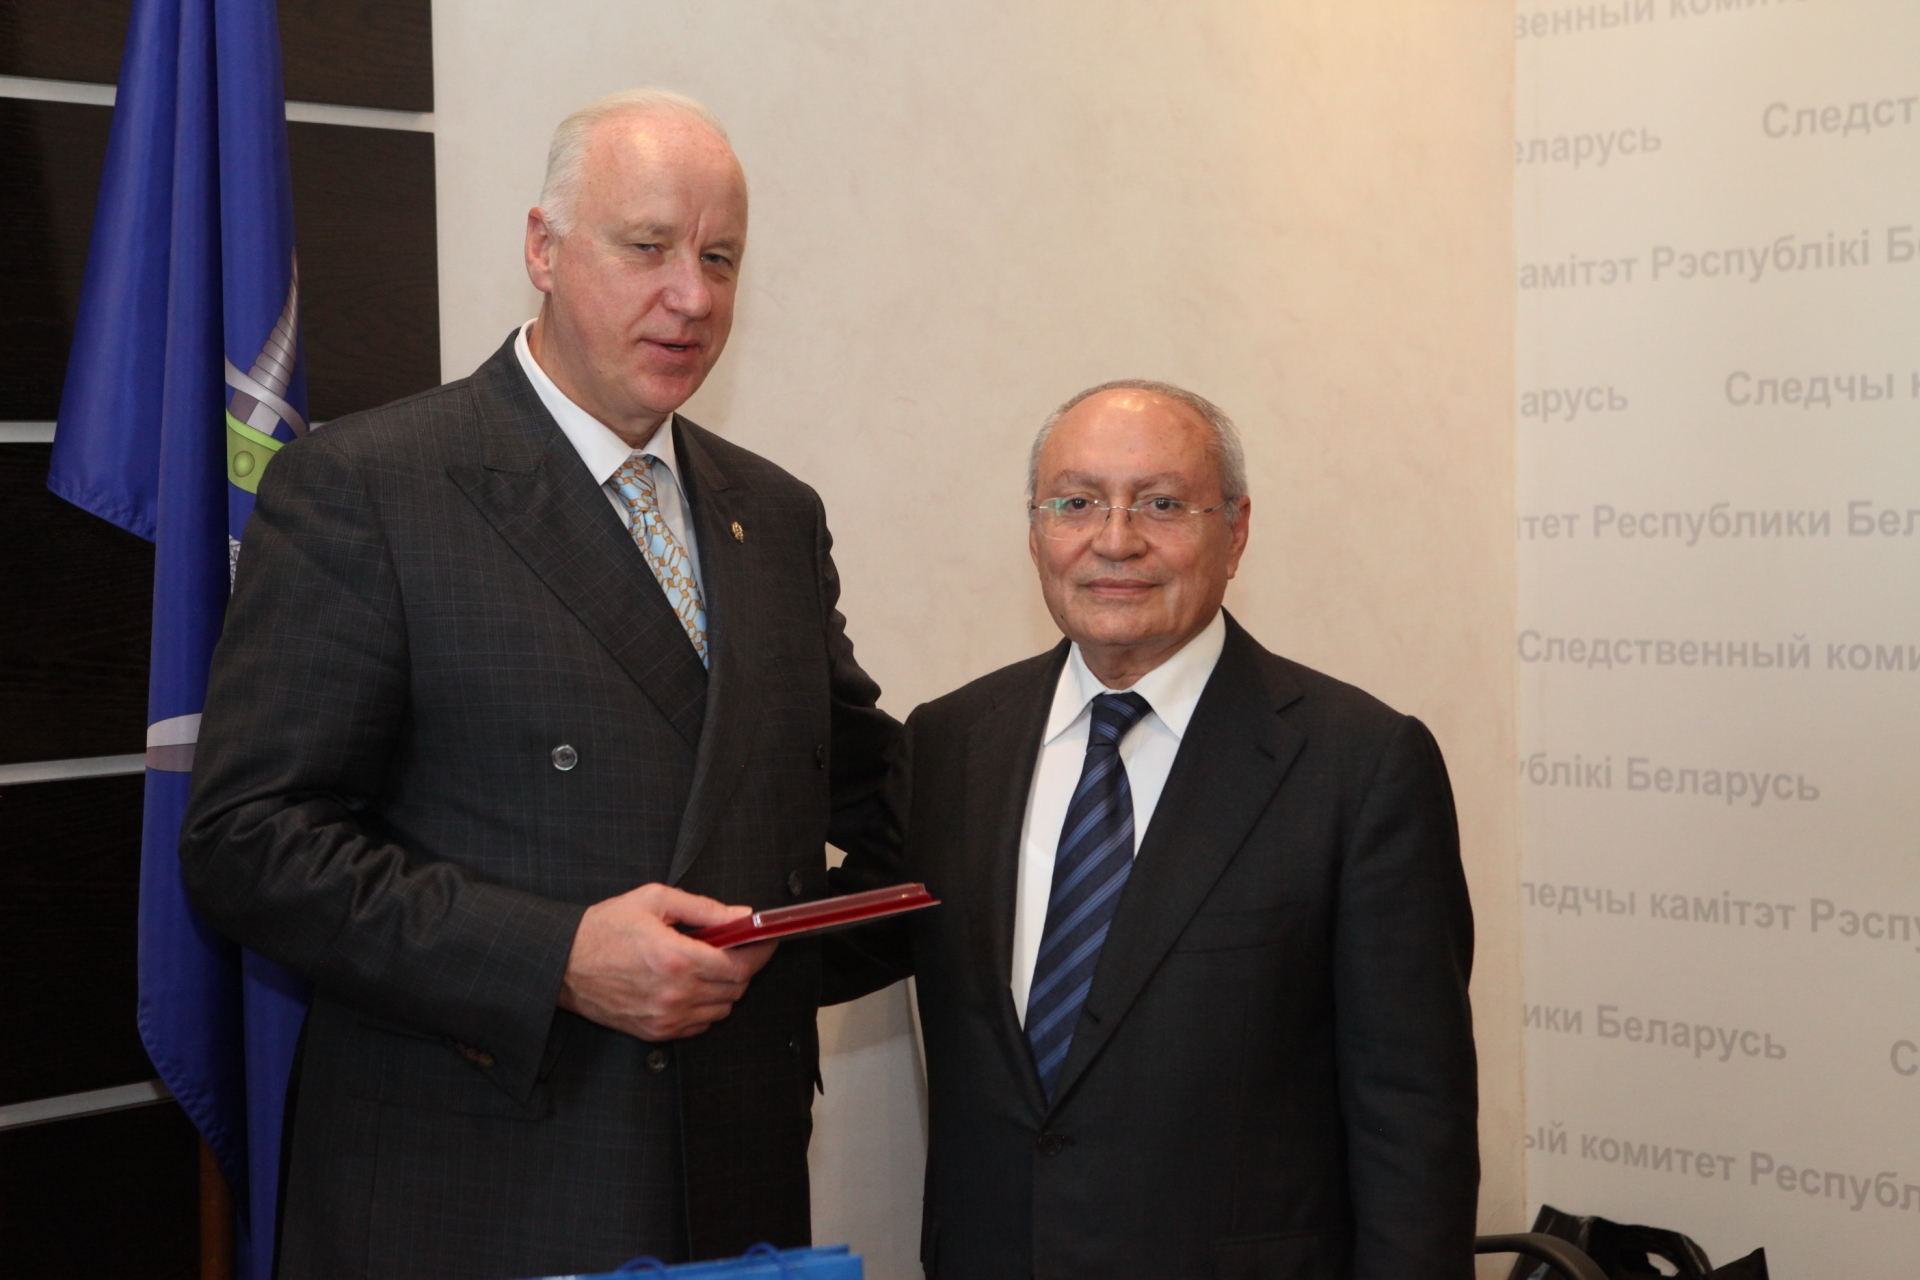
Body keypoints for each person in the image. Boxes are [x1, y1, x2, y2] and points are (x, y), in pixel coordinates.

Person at [180, 88, 899, 1280]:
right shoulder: (372, 485)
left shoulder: (774, 513)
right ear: (543, 248)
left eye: (720, 258)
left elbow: (857, 791)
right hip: (481, 1188)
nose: (692, 296)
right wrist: (553, 954)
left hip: (736, 1186)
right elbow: (248, 842)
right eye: (648, 246)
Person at [829, 380, 1479, 1279]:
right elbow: (829, 943)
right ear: (1034, 532)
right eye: (1075, 503)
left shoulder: (1361, 766)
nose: (1115, 539)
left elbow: (1413, 1119)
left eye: (1163, 504)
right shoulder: (951, 744)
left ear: (1236, 532)